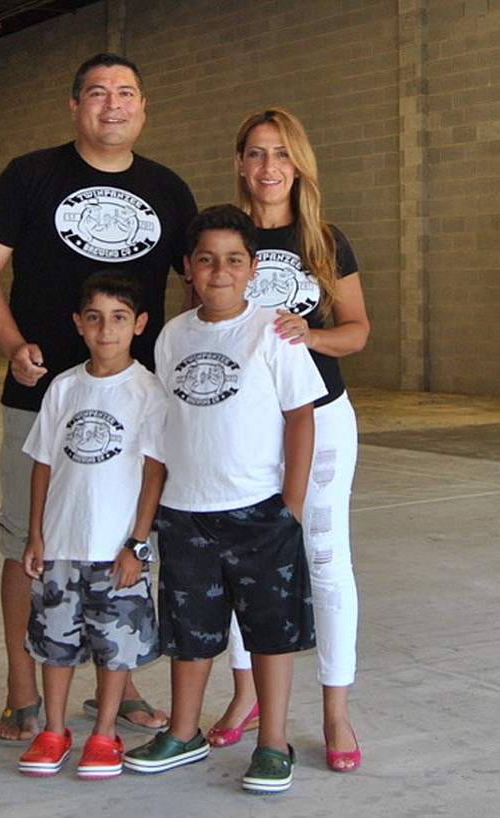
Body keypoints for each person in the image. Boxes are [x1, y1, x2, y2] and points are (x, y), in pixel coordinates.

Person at [0, 52, 197, 743]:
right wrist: (12, 344)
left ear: (144, 108)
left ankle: (119, 688)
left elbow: (192, 286)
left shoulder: (167, 188)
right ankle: (21, 690)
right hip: (42, 398)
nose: (113, 104)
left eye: (126, 92)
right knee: (25, 544)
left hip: (135, 409)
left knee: (125, 545)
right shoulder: (31, 174)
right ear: (75, 107)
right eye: (98, 93)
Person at [124, 205, 327, 794]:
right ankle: (183, 732)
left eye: (233, 260)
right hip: (187, 512)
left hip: (259, 510)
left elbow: (301, 418)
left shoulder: (274, 330)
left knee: (270, 630)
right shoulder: (171, 335)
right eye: (207, 260)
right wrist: (154, 507)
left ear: (252, 267)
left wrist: (290, 502)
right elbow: (162, 429)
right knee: (190, 630)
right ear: (187, 268)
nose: (220, 271)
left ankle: (272, 742)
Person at [205, 108, 370, 773]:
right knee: (248, 561)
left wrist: (313, 336)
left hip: (321, 414)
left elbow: (357, 329)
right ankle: (245, 695)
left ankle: (335, 710)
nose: (268, 167)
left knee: (325, 559)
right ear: (240, 164)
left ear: (298, 164)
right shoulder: (224, 237)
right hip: (244, 424)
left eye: (280, 154)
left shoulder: (326, 240)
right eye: (254, 154)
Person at [17, 272, 166, 779]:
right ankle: (53, 730)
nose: (107, 330)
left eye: (120, 318)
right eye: (95, 318)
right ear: (79, 324)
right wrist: (36, 533)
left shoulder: (147, 390)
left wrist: (137, 545)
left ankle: (104, 734)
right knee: (54, 644)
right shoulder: (63, 387)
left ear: (139, 324)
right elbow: (42, 463)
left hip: (116, 549)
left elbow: (154, 472)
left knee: (114, 648)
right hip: (60, 542)